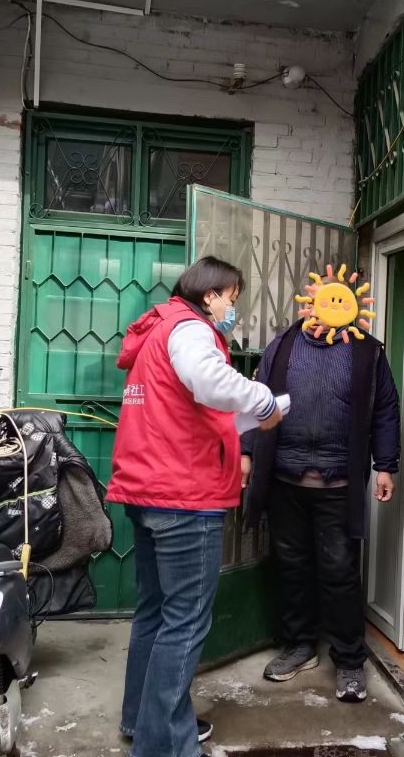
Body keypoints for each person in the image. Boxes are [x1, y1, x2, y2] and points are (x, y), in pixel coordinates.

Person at [107, 256, 283, 757]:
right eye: (232, 298)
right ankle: (164, 745)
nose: (233, 309)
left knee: (155, 613)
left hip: (149, 489)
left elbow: (186, 406)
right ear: (210, 296)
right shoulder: (189, 330)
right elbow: (208, 381)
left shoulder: (157, 332)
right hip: (184, 496)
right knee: (184, 621)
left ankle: (143, 722)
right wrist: (265, 402)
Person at [240, 304, 401, 703]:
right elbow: (256, 399)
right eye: (319, 300)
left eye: (338, 300)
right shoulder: (283, 344)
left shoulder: (367, 351)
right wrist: (246, 452)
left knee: (339, 570)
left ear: (351, 306)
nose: (327, 308)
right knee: (291, 566)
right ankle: (299, 646)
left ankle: (349, 660)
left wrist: (386, 465)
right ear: (308, 303)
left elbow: (385, 409)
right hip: (285, 479)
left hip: (338, 483)